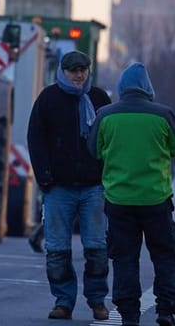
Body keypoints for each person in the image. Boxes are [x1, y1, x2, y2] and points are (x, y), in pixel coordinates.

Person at [87, 62, 175, 326]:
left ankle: (129, 314)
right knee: (165, 255)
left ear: (121, 87)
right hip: (156, 199)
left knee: (124, 259)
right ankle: (166, 310)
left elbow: (93, 150)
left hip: (119, 201)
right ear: (147, 87)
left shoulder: (105, 115)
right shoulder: (163, 114)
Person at [28, 50, 113, 321]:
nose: (78, 74)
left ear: (88, 71)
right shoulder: (48, 99)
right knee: (57, 250)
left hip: (93, 187)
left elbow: (110, 141)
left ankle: (98, 300)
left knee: (97, 248)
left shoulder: (99, 99)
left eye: (82, 69)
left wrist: (106, 177)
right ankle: (63, 301)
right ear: (62, 71)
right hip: (59, 188)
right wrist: (44, 177)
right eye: (73, 70)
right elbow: (36, 139)